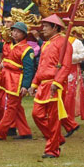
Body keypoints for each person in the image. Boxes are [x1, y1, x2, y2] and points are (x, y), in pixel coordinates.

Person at [30, 14, 73, 158]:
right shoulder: (47, 43)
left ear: (55, 27)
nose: (43, 29)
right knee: (36, 114)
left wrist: (57, 82)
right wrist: (34, 83)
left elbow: (66, 66)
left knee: (54, 119)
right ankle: (57, 139)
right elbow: (41, 66)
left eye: (46, 26)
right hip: (43, 84)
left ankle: (52, 150)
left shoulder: (64, 42)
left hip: (55, 84)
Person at [0, 22, 35, 141]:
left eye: (18, 32)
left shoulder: (27, 50)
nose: (14, 33)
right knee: (16, 107)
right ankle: (25, 132)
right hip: (6, 79)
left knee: (11, 107)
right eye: (13, 31)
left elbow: (29, 69)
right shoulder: (6, 44)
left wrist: (25, 85)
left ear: (24, 34)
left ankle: (0, 133)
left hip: (16, 81)